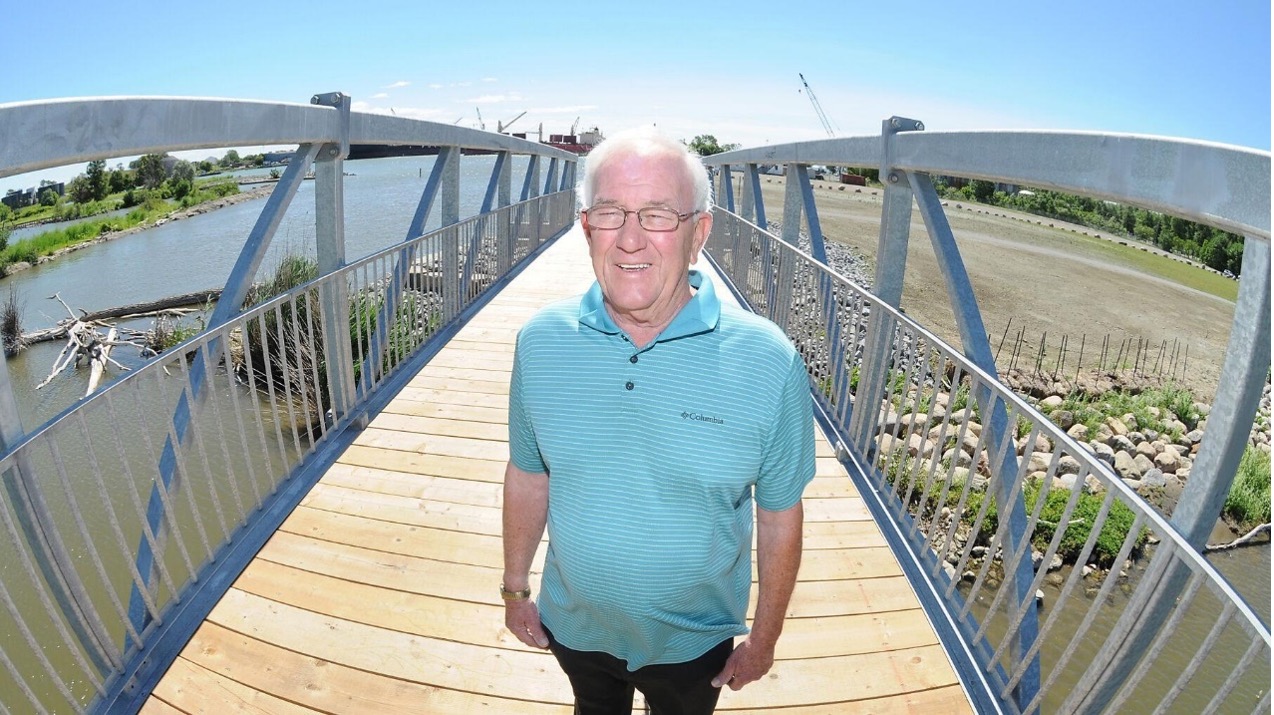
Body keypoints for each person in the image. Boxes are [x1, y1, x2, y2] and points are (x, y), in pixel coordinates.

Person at [501, 126, 815, 715]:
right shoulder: (540, 342)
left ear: (700, 232)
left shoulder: (769, 362)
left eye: (658, 215)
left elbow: (778, 515)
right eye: (611, 212)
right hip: (574, 626)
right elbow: (527, 475)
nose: (630, 239)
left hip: (694, 645)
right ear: (586, 227)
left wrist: (765, 637)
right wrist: (515, 590)